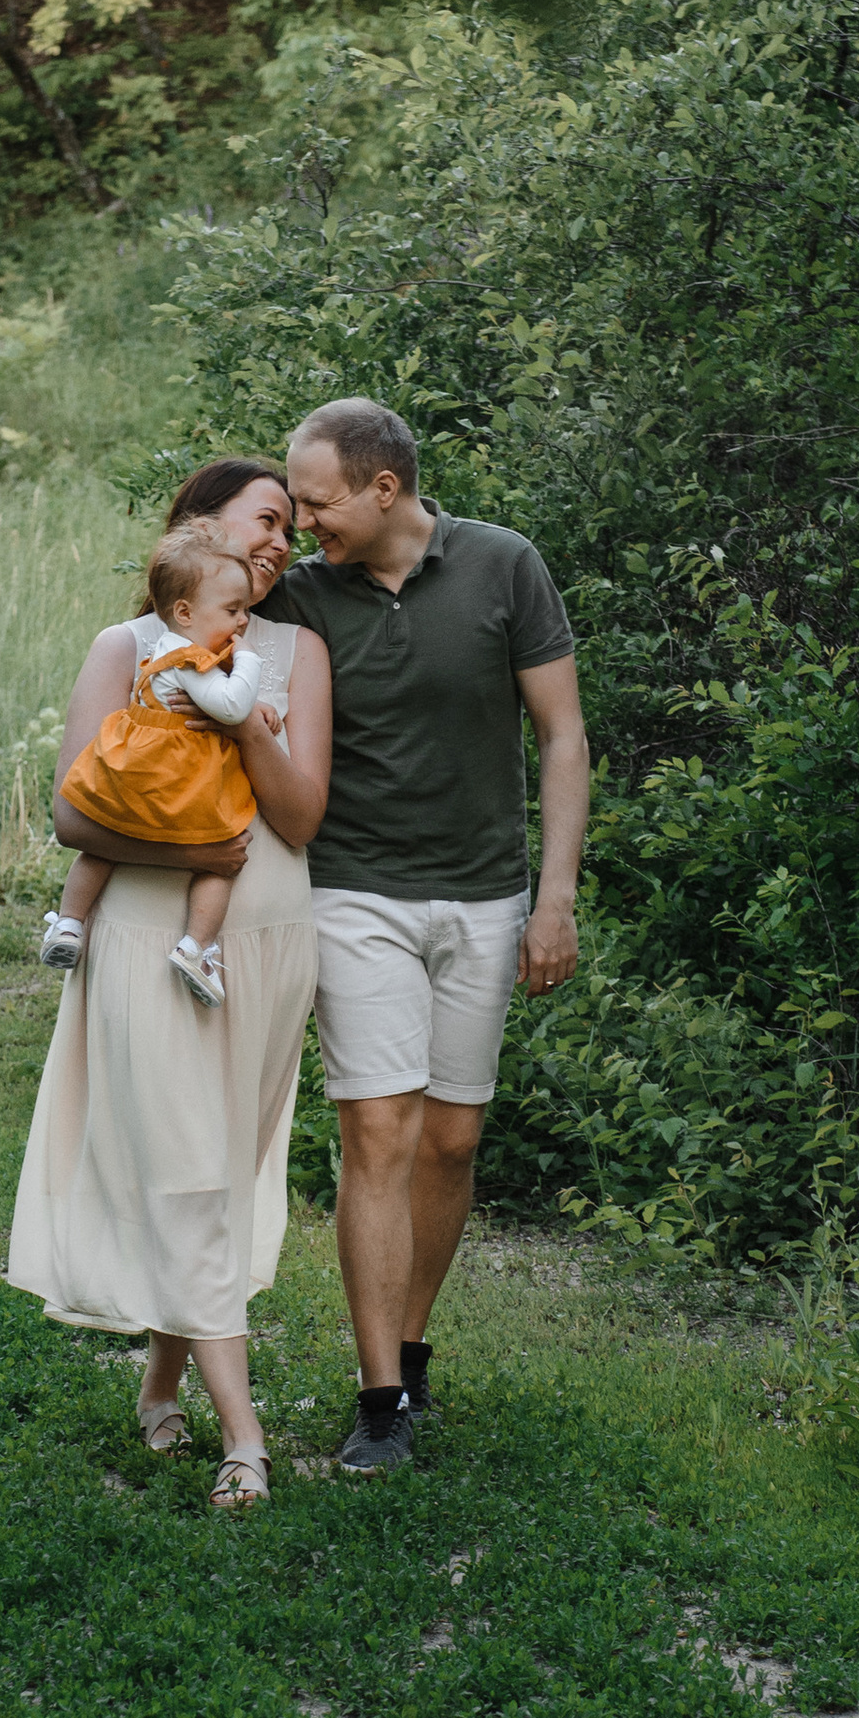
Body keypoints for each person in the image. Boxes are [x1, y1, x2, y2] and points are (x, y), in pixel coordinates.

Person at [271, 395, 588, 1474]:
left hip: (486, 898)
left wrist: (554, 898)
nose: (303, 522)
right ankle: (378, 1401)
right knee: (379, 1132)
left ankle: (410, 1354)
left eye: (316, 503)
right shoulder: (302, 595)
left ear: (385, 487)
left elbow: (562, 737)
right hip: (353, 892)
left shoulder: (504, 565)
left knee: (452, 1139)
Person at [6, 459, 331, 1509]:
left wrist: (242, 719)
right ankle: (246, 1438)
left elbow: (299, 818)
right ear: (200, 524)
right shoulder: (128, 647)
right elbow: (73, 813)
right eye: (264, 519)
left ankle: (160, 1382)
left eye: (290, 529)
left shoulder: (296, 653)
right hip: (154, 942)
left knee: (215, 1174)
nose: (279, 542)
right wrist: (188, 843)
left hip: (269, 940)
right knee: (186, 1169)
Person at [39, 527, 269, 1008]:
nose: (243, 621)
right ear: (185, 613)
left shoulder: (164, 649)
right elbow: (230, 706)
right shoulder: (190, 659)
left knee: (105, 844)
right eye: (232, 610)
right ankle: (196, 947)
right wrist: (249, 663)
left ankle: (69, 923)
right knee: (222, 855)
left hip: (135, 774)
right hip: (179, 780)